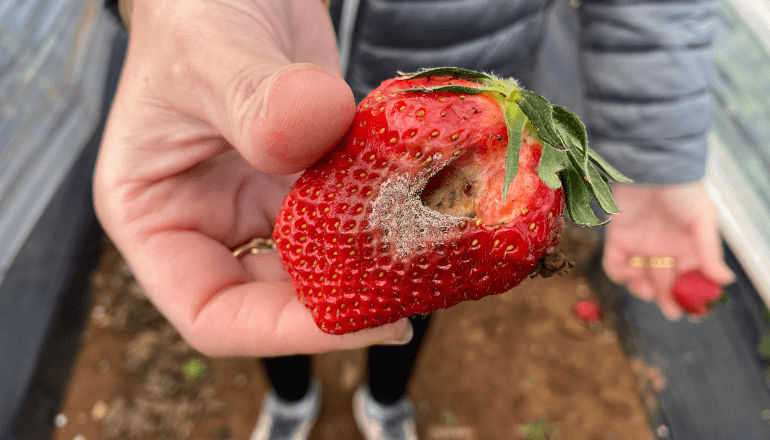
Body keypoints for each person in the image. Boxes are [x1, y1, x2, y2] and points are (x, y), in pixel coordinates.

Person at [95, 0, 735, 439]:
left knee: (413, 289)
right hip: (280, 65)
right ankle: (292, 398)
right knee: (273, 278)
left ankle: (384, 400)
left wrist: (657, 157)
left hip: (463, 94)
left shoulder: (504, 184)